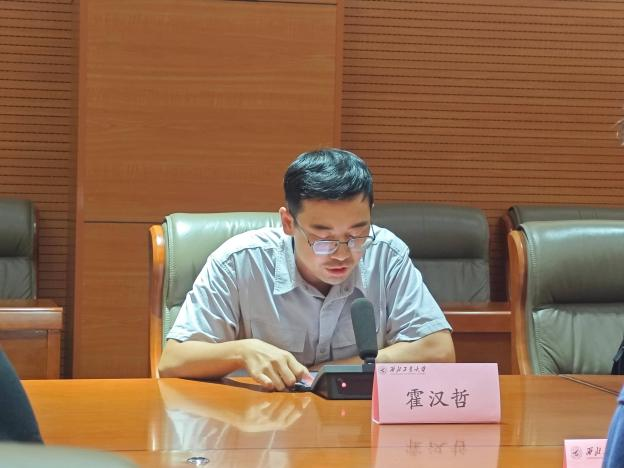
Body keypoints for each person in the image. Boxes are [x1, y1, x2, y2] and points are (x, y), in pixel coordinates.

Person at [158, 149, 455, 390]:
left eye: (356, 235)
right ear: (288, 223)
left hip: (353, 425)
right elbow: (173, 361)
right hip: (262, 424)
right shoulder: (239, 261)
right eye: (323, 240)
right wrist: (243, 351)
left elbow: (438, 350)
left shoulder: (386, 254)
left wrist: (329, 373)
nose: (342, 254)